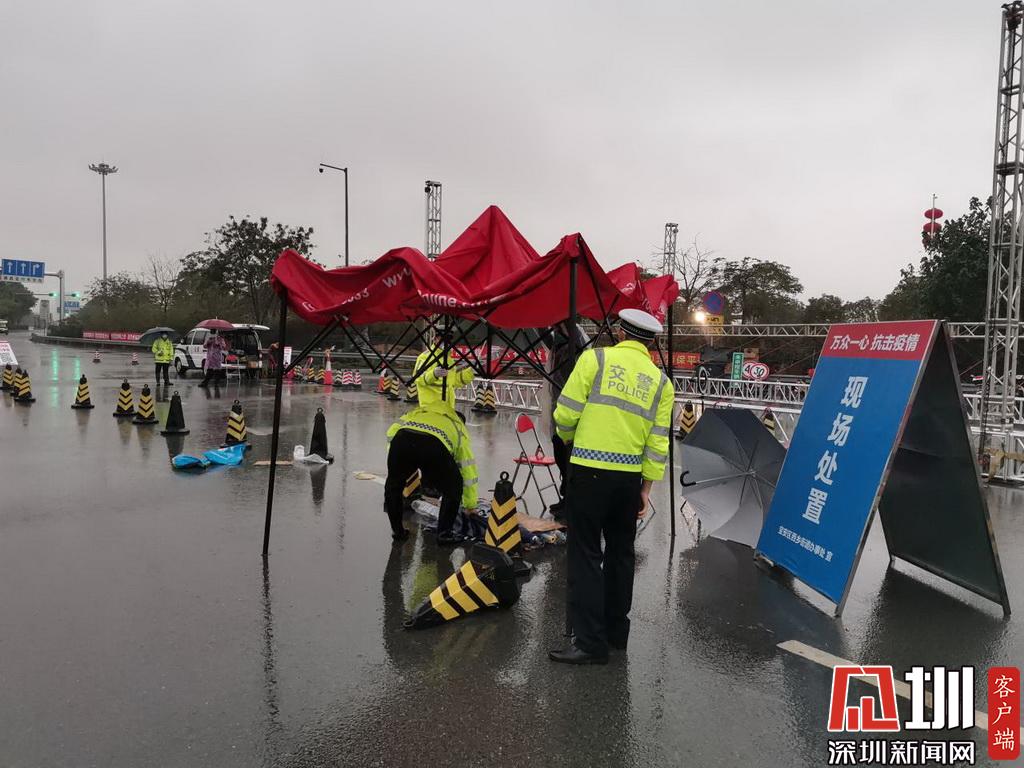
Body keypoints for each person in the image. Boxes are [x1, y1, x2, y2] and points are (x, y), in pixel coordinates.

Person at [548, 308, 674, 665]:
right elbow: (658, 444)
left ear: (620, 333)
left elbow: (564, 414)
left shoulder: (595, 360)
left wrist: (570, 440)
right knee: (621, 554)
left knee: (586, 555)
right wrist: (645, 489)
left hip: (589, 472)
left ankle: (590, 643)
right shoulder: (662, 384)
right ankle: (616, 633)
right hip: (629, 481)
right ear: (652, 342)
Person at [384, 401, 478, 545]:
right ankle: (444, 535)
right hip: (433, 445)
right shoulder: (458, 426)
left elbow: (392, 431)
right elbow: (467, 469)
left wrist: (398, 461)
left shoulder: (418, 413)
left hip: (402, 439)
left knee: (393, 486)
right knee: (453, 487)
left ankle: (398, 532)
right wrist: (470, 505)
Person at [543, 322, 589, 517]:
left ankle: (572, 502)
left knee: (570, 461)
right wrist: (543, 321)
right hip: (557, 413)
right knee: (561, 458)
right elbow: (544, 335)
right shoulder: (557, 347)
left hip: (572, 416)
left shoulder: (577, 348)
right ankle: (566, 497)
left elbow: (575, 334)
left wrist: (564, 319)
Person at [414, 330, 475, 408]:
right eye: (442, 339)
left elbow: (454, 381)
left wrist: (471, 372)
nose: (445, 342)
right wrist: (433, 374)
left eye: (448, 339)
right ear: (435, 339)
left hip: (448, 407)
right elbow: (418, 379)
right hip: (430, 408)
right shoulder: (425, 357)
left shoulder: (449, 359)